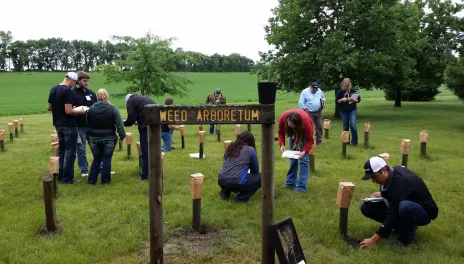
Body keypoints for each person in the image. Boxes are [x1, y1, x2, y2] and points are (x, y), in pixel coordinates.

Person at [359, 157, 438, 248]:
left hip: (423, 212)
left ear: (383, 170)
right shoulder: (391, 174)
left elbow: (393, 213)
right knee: (366, 207)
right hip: (405, 205)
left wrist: (373, 240)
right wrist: (382, 194)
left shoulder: (402, 181)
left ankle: (405, 240)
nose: (373, 181)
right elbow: (395, 192)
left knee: (404, 206)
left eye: (374, 177)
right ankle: (402, 227)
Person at [47, 72, 87, 184]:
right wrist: (79, 111)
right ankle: (68, 178)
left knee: (62, 151)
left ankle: (60, 175)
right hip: (69, 125)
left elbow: (49, 107)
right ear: (72, 80)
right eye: (74, 83)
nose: (74, 85)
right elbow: (68, 111)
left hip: (57, 125)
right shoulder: (67, 91)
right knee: (70, 152)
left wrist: (60, 108)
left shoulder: (53, 89)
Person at [86, 89, 125, 185]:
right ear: (107, 97)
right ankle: (105, 180)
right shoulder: (113, 109)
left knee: (96, 159)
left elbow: (88, 123)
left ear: (97, 97)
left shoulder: (90, 109)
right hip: (109, 138)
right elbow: (119, 124)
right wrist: (122, 135)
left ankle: (92, 181)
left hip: (94, 138)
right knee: (107, 159)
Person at [277, 109, 315, 193]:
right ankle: (290, 183)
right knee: (292, 157)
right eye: (290, 124)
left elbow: (310, 140)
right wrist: (282, 144)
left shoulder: (306, 122)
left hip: (303, 132)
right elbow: (280, 132)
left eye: (293, 126)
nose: (291, 126)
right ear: (287, 120)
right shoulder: (283, 118)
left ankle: (301, 187)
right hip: (292, 132)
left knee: (304, 160)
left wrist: (304, 152)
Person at [218, 131, 261, 202]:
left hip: (221, 179)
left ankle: (224, 193)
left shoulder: (230, 146)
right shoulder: (250, 149)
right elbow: (255, 170)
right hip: (236, 181)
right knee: (262, 177)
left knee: (231, 175)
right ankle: (242, 198)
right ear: (251, 141)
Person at [124, 93, 155, 180]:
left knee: (145, 151)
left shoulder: (131, 100)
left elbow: (131, 118)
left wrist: (125, 123)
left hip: (145, 128)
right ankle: (156, 172)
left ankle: (145, 175)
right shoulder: (145, 98)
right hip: (156, 127)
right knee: (154, 150)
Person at [71, 71, 96, 177]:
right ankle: (84, 170)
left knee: (96, 147)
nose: (87, 83)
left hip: (92, 125)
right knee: (81, 148)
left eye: (87, 81)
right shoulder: (71, 93)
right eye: (84, 81)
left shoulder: (91, 93)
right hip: (78, 126)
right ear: (78, 81)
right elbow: (69, 109)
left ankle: (99, 167)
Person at [298, 81, 326, 145]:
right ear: (310, 87)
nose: (315, 91)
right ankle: (309, 141)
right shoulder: (305, 92)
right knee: (309, 127)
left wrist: (324, 103)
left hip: (318, 112)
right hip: (309, 112)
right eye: (314, 89)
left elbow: (323, 98)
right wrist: (305, 110)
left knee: (319, 126)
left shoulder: (319, 91)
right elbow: (301, 103)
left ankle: (319, 141)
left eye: (316, 89)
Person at [336, 78, 361, 146]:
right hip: (344, 111)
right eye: (344, 85)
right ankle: (346, 141)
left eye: (346, 85)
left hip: (352, 110)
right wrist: (342, 100)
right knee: (345, 126)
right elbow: (337, 101)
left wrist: (353, 100)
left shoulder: (353, 91)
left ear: (349, 85)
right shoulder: (340, 92)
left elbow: (358, 100)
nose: (345, 86)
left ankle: (354, 142)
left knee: (353, 125)